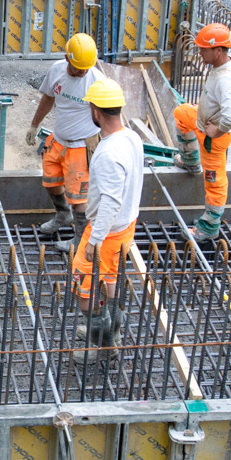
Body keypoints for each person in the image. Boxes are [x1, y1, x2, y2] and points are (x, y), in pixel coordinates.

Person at [70, 77, 142, 363]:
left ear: (96, 111)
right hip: (125, 226)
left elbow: (111, 201)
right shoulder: (131, 137)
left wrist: (95, 240)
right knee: (109, 278)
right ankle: (111, 329)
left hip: (106, 232)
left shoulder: (109, 153)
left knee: (85, 291)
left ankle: (101, 345)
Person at [26, 33, 103, 238]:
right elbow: (48, 98)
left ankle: (79, 240)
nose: (83, 72)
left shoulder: (97, 81)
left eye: (87, 67)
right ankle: (62, 215)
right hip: (58, 140)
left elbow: (108, 115)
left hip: (81, 145)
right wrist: (34, 125)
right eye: (79, 67)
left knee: (79, 198)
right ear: (67, 58)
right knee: (51, 182)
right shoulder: (57, 70)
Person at [190, 22, 231, 245]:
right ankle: (190, 160)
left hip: (213, 138)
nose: (200, 52)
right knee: (181, 113)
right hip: (202, 122)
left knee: (214, 183)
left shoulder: (225, 79)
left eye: (204, 49)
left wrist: (218, 129)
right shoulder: (228, 65)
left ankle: (209, 228)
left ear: (219, 50)